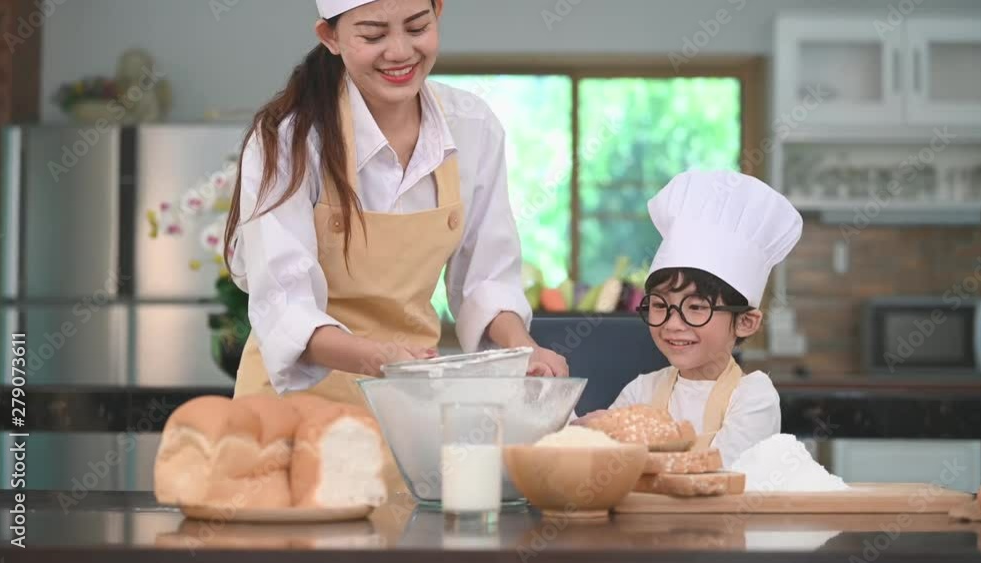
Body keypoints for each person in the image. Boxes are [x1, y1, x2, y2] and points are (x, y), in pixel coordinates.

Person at [223, 0, 568, 495]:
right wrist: (380, 359)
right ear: (330, 37)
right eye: (373, 34)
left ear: (438, 13)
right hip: (293, 407)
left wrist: (522, 349)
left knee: (402, 528)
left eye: (417, 26)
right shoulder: (290, 137)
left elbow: (486, 279)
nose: (400, 51)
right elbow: (284, 305)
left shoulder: (472, 126)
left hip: (407, 409)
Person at [583, 170, 803, 466]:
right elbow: (608, 465)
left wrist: (622, 445)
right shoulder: (642, 390)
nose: (673, 324)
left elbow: (724, 470)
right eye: (660, 305)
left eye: (696, 307)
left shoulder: (752, 396)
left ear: (745, 322)